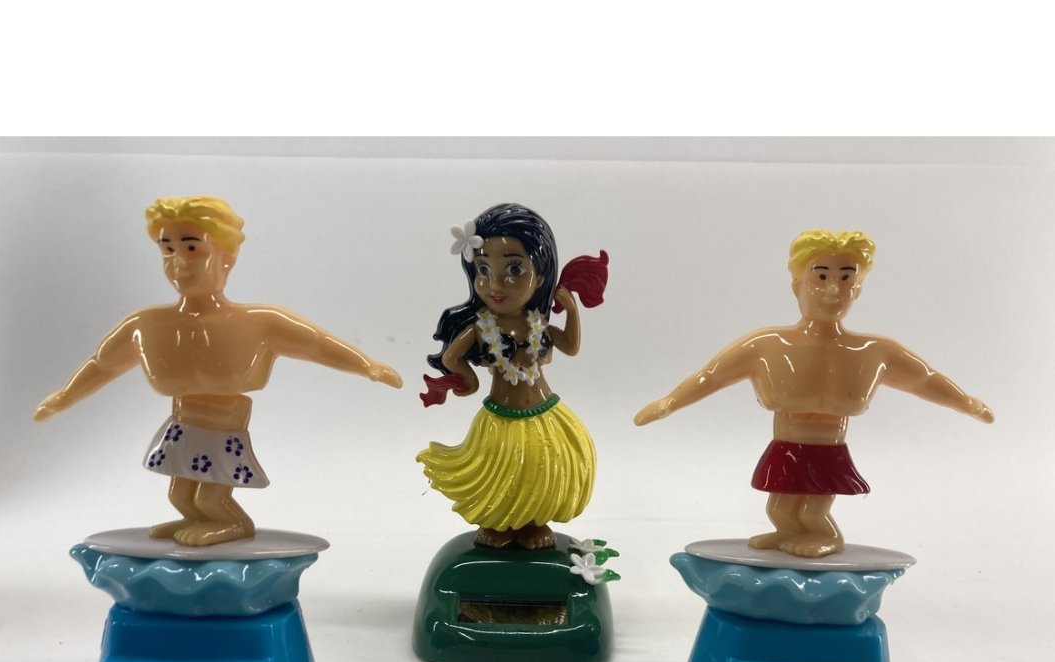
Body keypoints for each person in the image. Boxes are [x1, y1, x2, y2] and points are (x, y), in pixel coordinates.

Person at [34, 196, 402, 546]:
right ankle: (195, 520)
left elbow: (318, 345)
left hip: (223, 430)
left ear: (227, 257)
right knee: (179, 495)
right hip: (183, 427)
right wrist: (63, 397)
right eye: (167, 249)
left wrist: (367, 366)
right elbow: (102, 365)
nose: (179, 262)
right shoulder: (144, 326)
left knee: (210, 497)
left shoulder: (262, 322)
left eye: (192, 247)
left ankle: (233, 523)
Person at [634, 229, 994, 558]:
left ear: (858, 289)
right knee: (779, 509)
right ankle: (787, 533)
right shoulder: (765, 345)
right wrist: (669, 403)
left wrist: (965, 402)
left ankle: (827, 537)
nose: (833, 290)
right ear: (797, 285)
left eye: (846, 278)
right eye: (821, 277)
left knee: (813, 511)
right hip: (787, 446)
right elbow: (712, 376)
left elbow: (924, 380)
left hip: (828, 450)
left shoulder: (876, 352)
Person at [418, 203, 608, 550]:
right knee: (497, 472)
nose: (495, 283)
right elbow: (450, 356)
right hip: (500, 416)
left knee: (543, 469)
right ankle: (499, 521)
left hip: (544, 412)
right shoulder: (481, 327)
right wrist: (468, 381)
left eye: (514, 269)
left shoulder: (538, 324)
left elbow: (570, 346)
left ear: (540, 276)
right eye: (483, 269)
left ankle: (534, 521)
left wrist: (573, 311)